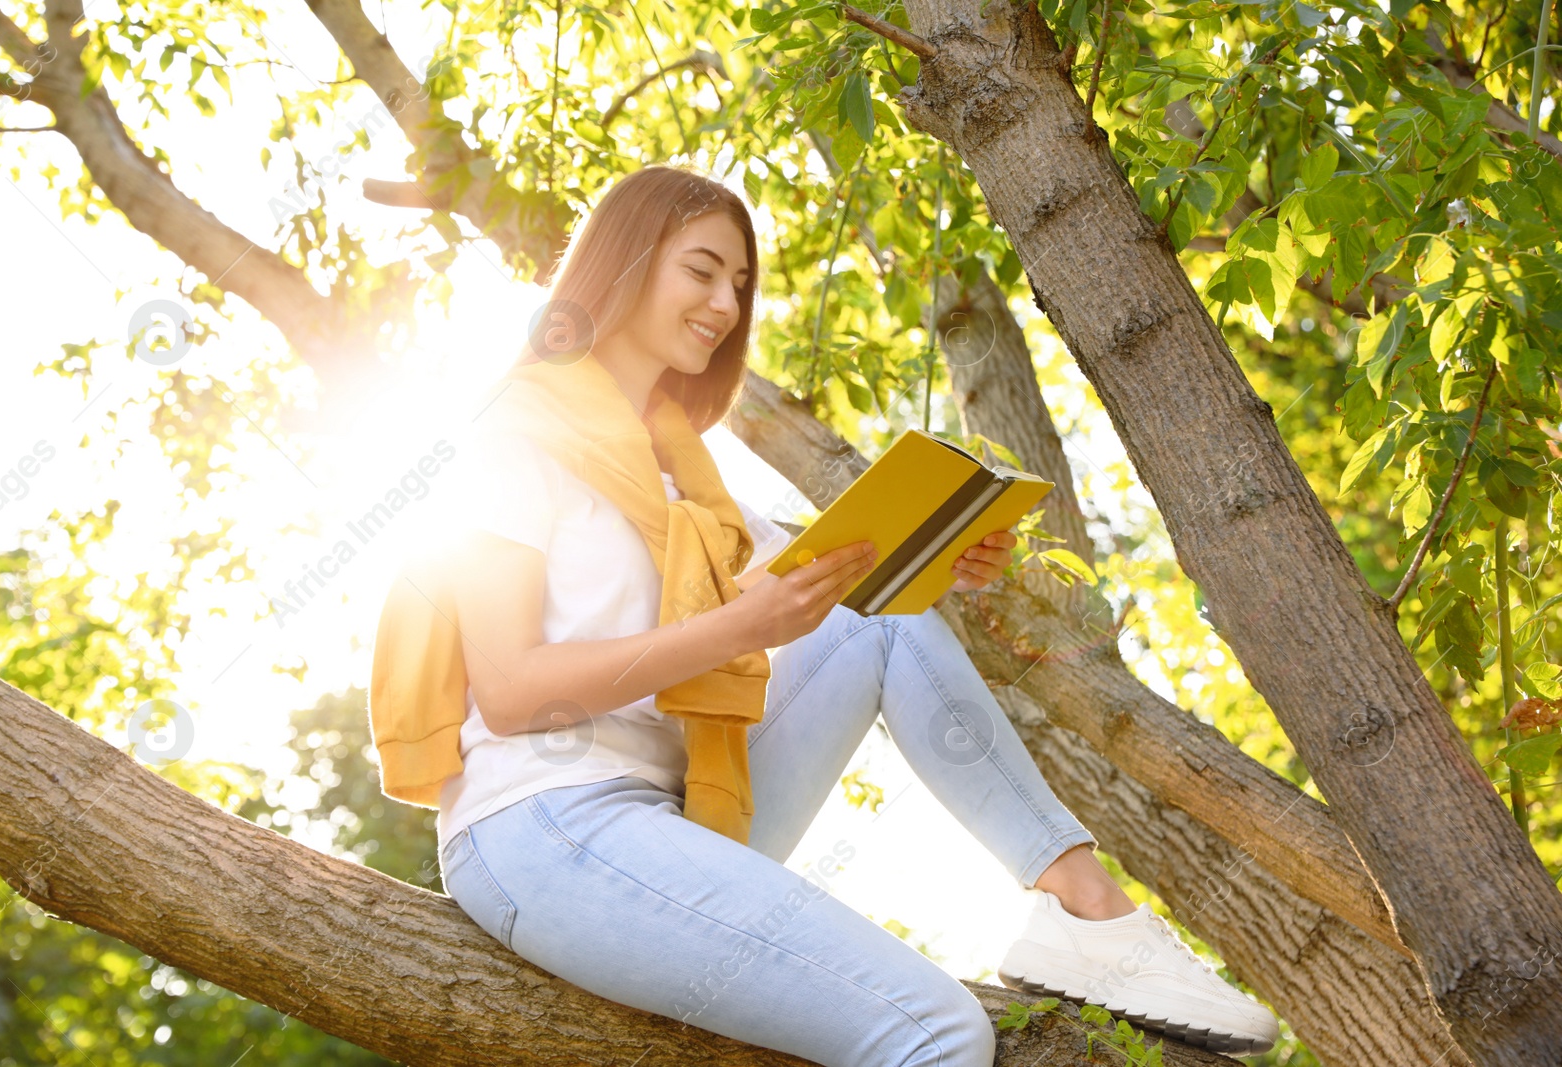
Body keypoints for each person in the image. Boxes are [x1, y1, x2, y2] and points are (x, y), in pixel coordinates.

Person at [415, 164, 1279, 1063]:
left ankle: (1086, 914)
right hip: (546, 821)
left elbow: (830, 588)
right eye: (701, 270)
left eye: (739, 284)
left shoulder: (691, 478)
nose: (723, 303)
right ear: (626, 263)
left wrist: (940, 557)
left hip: (682, 806)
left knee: (881, 619)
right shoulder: (512, 439)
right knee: (939, 1032)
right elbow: (512, 691)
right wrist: (737, 627)